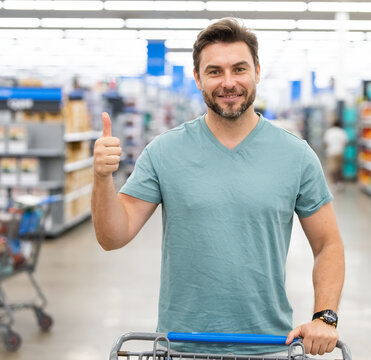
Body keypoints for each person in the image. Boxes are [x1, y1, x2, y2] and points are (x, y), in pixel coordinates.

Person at [92, 18, 345, 356]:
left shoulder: (296, 155)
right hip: (182, 348)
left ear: (257, 70)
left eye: (239, 69)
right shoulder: (164, 151)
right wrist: (101, 177)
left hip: (267, 346)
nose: (229, 83)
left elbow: (328, 244)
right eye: (214, 72)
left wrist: (325, 317)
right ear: (197, 78)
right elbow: (112, 236)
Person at [323, 118, 349, 192]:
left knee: (332, 169)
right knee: (340, 169)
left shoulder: (329, 132)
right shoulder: (342, 132)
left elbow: (325, 143)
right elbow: (346, 142)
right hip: (340, 152)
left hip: (331, 153)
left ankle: (334, 184)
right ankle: (340, 184)